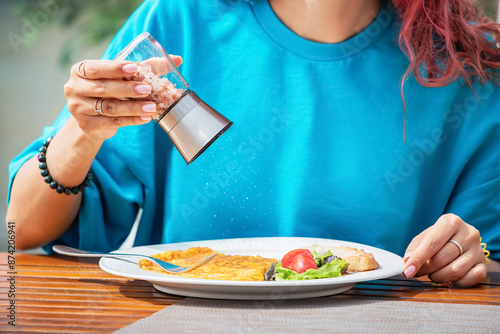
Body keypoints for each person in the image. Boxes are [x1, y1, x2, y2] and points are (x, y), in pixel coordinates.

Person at [6, 0, 500, 287]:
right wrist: (81, 133)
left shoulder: (472, 73)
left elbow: (488, 263)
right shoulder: (178, 21)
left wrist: (471, 261)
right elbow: (19, 231)